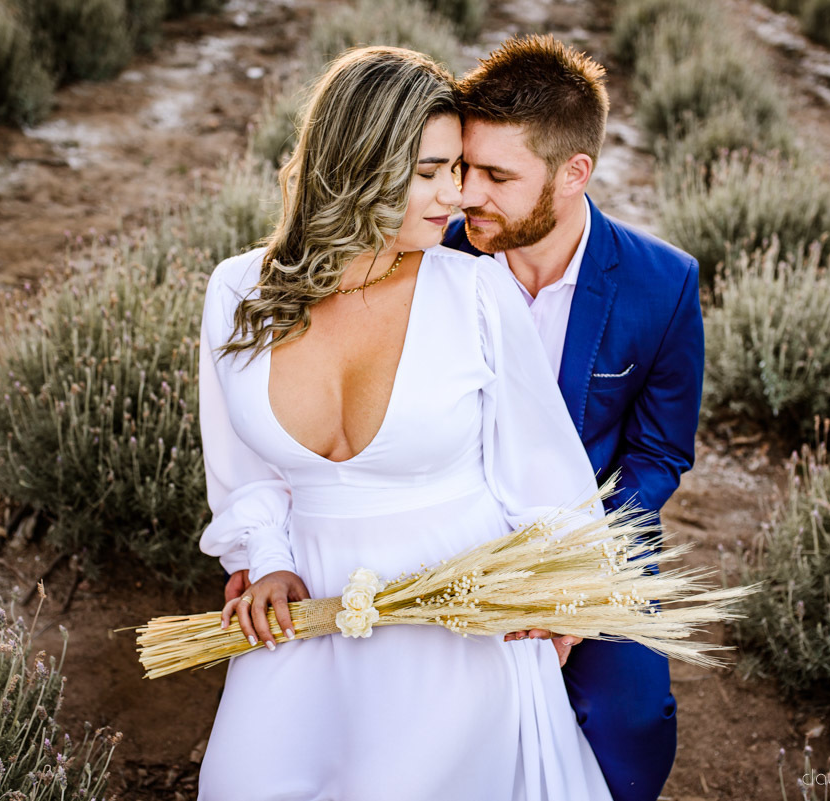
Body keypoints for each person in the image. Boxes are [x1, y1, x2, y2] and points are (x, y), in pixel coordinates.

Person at [196, 46, 612, 800]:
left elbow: (545, 472)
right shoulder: (237, 292)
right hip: (305, 610)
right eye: (430, 171)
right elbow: (245, 473)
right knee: (239, 783)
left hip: (459, 617)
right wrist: (266, 559)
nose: (456, 194)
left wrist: (560, 591)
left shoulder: (477, 292)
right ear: (357, 165)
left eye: (460, 168)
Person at [442, 35, 705, 801]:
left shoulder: (663, 284)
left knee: (632, 722)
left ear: (573, 173)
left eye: (497, 176)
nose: (466, 195)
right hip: (449, 524)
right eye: (463, 168)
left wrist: (580, 578)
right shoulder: (432, 260)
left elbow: (658, 455)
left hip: (592, 535)